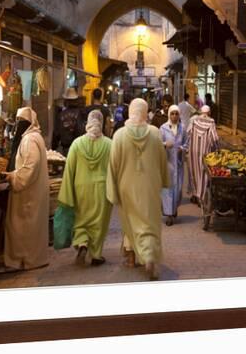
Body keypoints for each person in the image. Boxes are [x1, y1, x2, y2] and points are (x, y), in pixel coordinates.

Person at [106, 98, 170, 280]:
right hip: (150, 185)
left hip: (126, 186)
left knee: (131, 222)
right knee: (149, 222)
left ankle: (132, 257)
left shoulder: (119, 135)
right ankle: (149, 256)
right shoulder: (155, 133)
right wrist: (164, 181)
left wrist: (113, 189)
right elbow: (162, 160)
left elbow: (113, 165)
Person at [58, 110, 113, 266]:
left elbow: (69, 169)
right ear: (101, 123)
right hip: (102, 189)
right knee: (99, 222)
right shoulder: (109, 144)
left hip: (80, 187)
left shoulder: (77, 144)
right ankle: (96, 255)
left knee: (81, 219)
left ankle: (82, 243)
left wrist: (66, 192)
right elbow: (114, 168)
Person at [0, 107, 49, 273]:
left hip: (28, 195)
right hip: (32, 192)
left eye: (21, 121)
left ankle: (22, 261)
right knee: (28, 227)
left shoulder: (29, 140)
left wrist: (13, 177)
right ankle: (30, 259)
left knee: (21, 227)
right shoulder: (34, 137)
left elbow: (29, 167)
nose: (18, 125)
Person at [160, 105, 188, 226]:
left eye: (176, 114)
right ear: (169, 115)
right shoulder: (163, 128)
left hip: (179, 163)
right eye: (172, 114)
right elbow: (158, 143)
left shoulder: (183, 128)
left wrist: (181, 148)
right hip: (168, 163)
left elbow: (187, 143)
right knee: (167, 189)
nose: (174, 116)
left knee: (178, 189)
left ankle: (174, 208)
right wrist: (165, 145)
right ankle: (169, 214)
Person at [187, 105, 219, 207]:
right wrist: (218, 149)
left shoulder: (194, 120)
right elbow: (214, 138)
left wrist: (186, 149)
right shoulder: (211, 122)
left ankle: (195, 194)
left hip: (193, 152)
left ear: (201, 112)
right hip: (205, 153)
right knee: (203, 173)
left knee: (194, 172)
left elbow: (187, 134)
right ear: (209, 113)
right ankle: (201, 196)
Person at [51, 87, 84, 156]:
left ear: (66, 101)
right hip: (78, 147)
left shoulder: (61, 115)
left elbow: (56, 133)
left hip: (66, 148)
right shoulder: (80, 114)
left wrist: (53, 148)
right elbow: (80, 130)